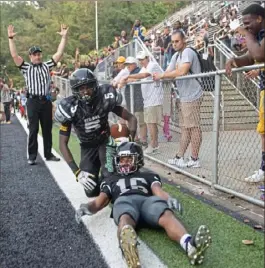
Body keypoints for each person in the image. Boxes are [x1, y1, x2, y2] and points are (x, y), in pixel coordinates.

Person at [75, 142, 212, 267]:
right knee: (125, 218)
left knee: (165, 213)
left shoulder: (148, 175)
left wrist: (169, 199)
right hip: (124, 201)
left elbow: (158, 191)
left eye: (129, 159)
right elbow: (100, 201)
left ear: (138, 160)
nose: (124, 163)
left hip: (147, 202)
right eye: (122, 160)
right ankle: (130, 253)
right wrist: (86, 207)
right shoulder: (110, 180)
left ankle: (189, 246)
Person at [54, 68, 137, 197]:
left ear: (95, 85)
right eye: (81, 88)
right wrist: (77, 172)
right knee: (90, 190)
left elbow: (131, 118)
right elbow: (62, 144)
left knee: (109, 179)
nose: (86, 92)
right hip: (87, 147)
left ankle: (110, 179)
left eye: (89, 87)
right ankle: (104, 180)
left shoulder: (104, 97)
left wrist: (130, 142)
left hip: (105, 142)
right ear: (75, 90)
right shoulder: (70, 107)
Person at [8, 24, 69, 165]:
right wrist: (11, 38)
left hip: (46, 101)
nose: (37, 56)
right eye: (35, 54)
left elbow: (59, 54)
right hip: (33, 102)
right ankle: (32, 156)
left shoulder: (46, 65)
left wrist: (64, 37)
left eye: (39, 54)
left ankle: (48, 154)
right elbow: (14, 55)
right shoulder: (26, 68)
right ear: (30, 56)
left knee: (47, 128)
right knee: (34, 129)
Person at [225, 4, 265, 183]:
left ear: (259, 18)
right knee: (263, 131)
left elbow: (259, 54)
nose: (246, 26)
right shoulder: (257, 36)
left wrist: (245, 32)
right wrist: (234, 60)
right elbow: (250, 57)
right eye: (244, 24)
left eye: (248, 23)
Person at [154, 30, 203, 168]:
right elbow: (168, 73)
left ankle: (194, 158)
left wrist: (162, 76)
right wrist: (161, 75)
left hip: (193, 94)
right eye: (173, 42)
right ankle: (179, 156)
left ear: (184, 40)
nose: (174, 44)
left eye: (177, 41)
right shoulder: (176, 55)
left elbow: (182, 71)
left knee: (193, 127)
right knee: (185, 128)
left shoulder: (187, 52)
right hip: (184, 96)